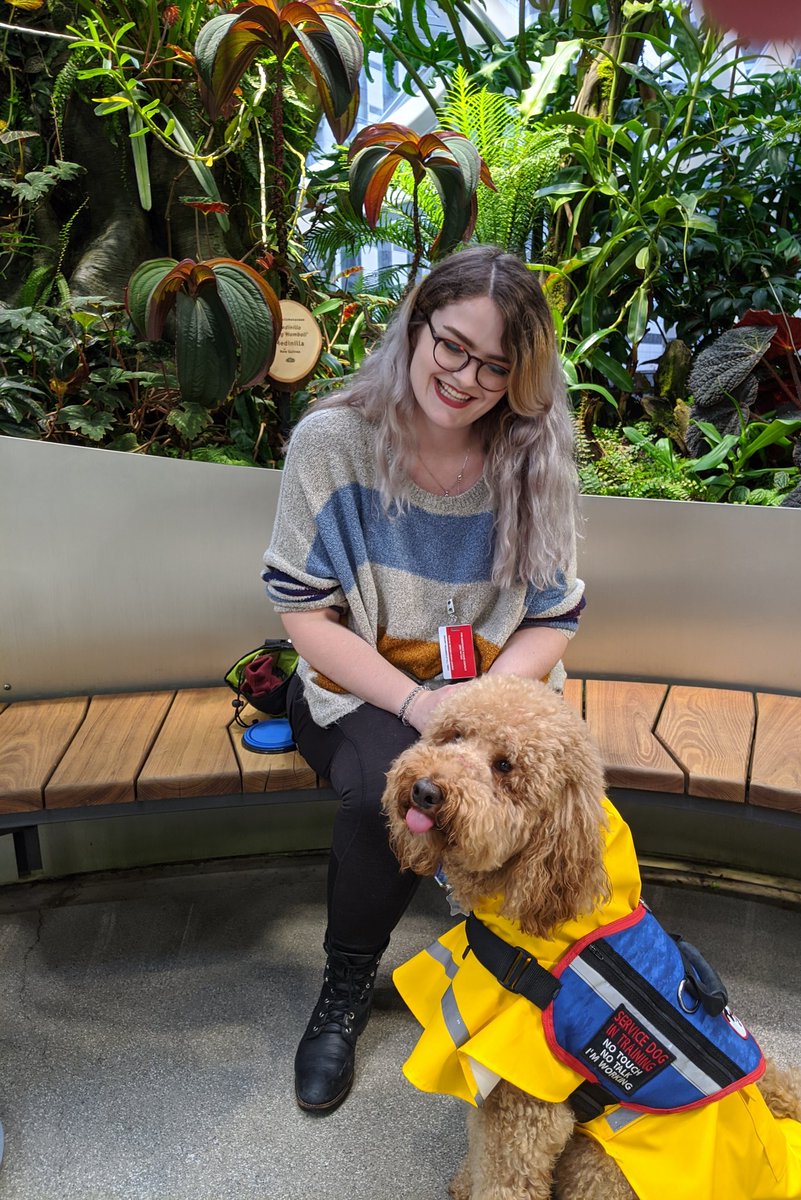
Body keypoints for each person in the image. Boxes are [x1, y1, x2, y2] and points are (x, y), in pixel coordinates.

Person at [262, 244, 585, 1114]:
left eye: (496, 366)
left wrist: (477, 709)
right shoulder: (334, 443)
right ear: (416, 326)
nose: (467, 378)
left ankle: (522, 974)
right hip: (359, 683)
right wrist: (418, 703)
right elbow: (304, 615)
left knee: (547, 783)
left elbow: (554, 615)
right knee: (390, 785)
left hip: (491, 690)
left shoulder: (535, 454)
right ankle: (346, 984)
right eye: (453, 346)